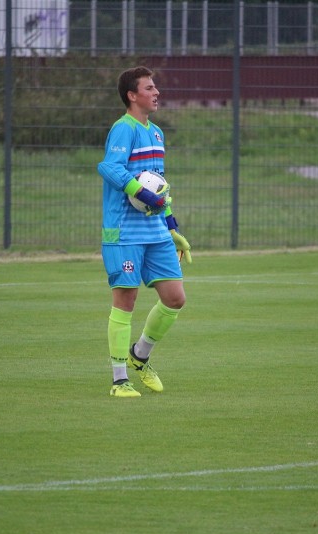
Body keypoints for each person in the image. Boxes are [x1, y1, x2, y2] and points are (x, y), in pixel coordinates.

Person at [97, 66, 192, 398]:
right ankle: (119, 380)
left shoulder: (156, 134)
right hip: (124, 234)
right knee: (127, 298)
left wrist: (172, 226)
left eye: (156, 88)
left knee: (175, 298)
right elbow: (109, 167)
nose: (157, 93)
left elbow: (160, 186)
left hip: (156, 232)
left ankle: (140, 356)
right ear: (132, 95)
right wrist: (140, 190)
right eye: (149, 88)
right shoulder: (123, 129)